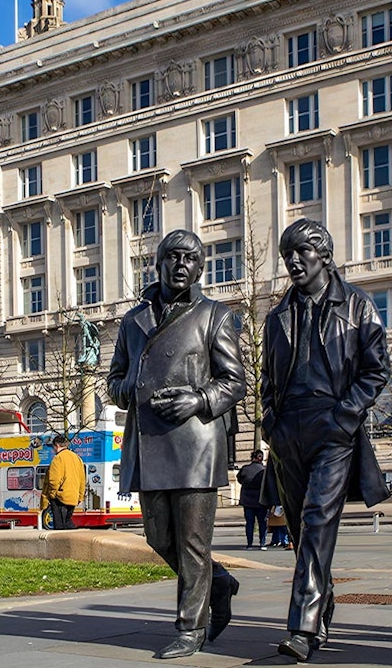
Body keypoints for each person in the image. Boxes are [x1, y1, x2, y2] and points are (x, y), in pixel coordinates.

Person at [108, 229, 246, 659]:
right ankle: (218, 582)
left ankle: (191, 627)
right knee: (157, 536)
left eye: (191, 258)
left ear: (201, 268)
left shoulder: (215, 316)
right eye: (173, 257)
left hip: (195, 443)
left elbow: (234, 381)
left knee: (191, 542)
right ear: (159, 264)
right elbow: (114, 380)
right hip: (148, 440)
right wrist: (126, 386)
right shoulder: (133, 321)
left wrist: (199, 398)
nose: (181, 264)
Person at [260, 218, 391, 662]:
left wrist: (346, 414)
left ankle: (302, 627)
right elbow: (267, 379)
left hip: (333, 426)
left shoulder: (357, 305)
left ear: (325, 255)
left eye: (301, 252)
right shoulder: (277, 316)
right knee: (301, 530)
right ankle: (323, 601)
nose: (293, 262)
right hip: (288, 431)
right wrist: (270, 422)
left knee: (317, 521)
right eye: (287, 255)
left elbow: (377, 369)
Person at [45, 434, 85, 530]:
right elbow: (82, 479)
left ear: (57, 445)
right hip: (73, 497)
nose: (53, 450)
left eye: (53, 447)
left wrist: (52, 494)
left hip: (60, 497)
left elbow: (54, 480)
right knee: (68, 522)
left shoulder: (58, 458)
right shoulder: (77, 458)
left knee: (60, 527)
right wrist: (80, 496)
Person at [236, 449, 268, 549]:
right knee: (262, 522)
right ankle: (262, 543)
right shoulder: (264, 470)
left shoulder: (245, 469)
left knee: (250, 523)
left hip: (247, 499)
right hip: (261, 500)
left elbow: (240, 479)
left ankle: (249, 544)